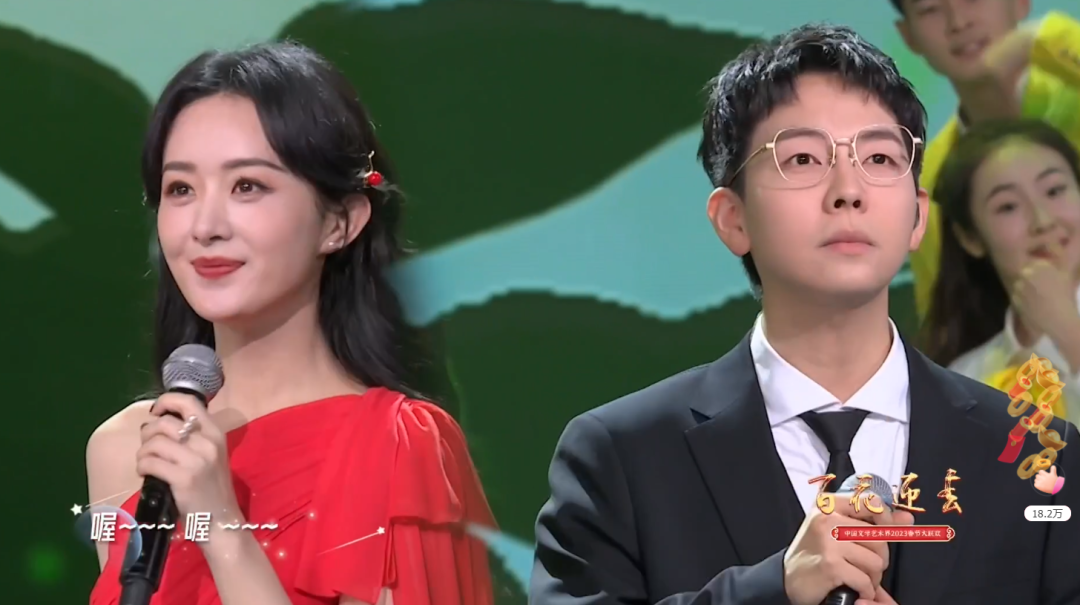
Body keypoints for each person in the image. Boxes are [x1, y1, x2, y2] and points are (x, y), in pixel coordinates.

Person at [531, 23, 1080, 605]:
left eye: (879, 157)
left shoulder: (1038, 454)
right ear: (733, 219)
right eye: (802, 158)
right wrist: (775, 589)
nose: (848, 190)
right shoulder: (621, 457)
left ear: (918, 217)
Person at [86, 42, 495, 605]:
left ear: (339, 222)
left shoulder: (398, 445)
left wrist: (222, 527)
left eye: (247, 186)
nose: (205, 226)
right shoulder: (124, 448)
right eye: (180, 189)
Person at [890, 0, 1080, 320]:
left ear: (1020, 3)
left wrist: (1042, 37)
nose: (958, 22)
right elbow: (947, 326)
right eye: (931, 9)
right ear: (909, 36)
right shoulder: (932, 183)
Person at [923, 119, 1080, 429]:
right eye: (1008, 207)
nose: (1043, 221)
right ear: (970, 238)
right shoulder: (966, 381)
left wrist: (1068, 332)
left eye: (1055, 190)